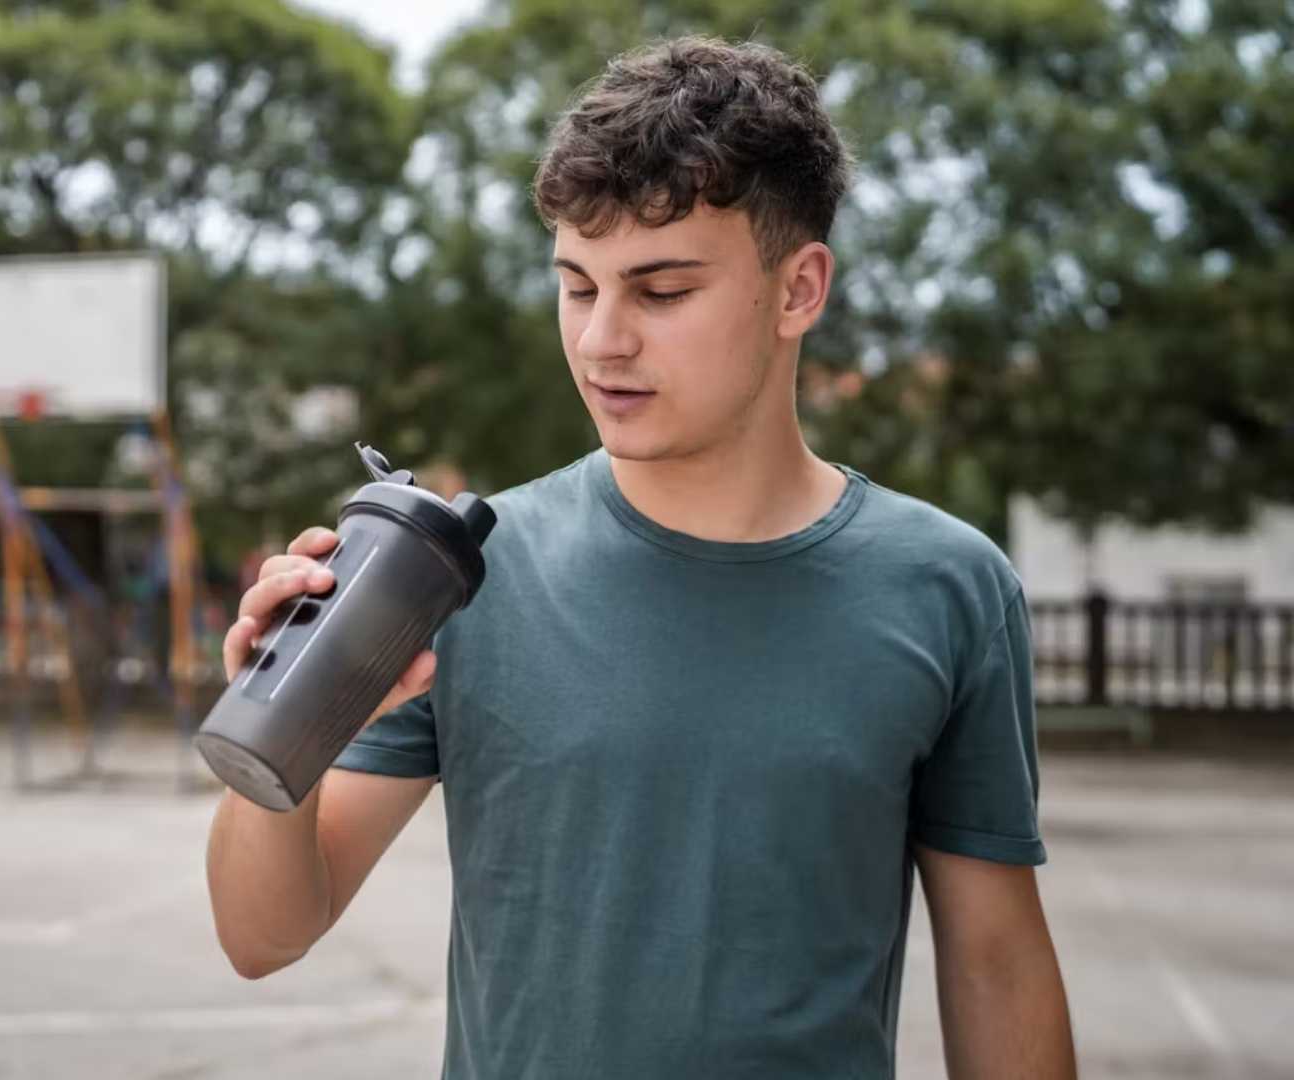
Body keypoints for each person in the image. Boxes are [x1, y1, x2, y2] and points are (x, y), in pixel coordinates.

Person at [205, 36, 1075, 1079]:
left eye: (660, 292)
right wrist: (275, 713)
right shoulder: (464, 578)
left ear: (799, 290)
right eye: (578, 287)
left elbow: (996, 963)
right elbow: (264, 937)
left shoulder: (949, 588)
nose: (602, 341)